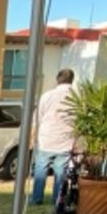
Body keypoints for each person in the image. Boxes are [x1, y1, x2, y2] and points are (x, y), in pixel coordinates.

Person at [30, 69, 76, 206]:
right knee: (60, 172)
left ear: (57, 79)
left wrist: (32, 137)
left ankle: (37, 198)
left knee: (40, 170)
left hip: (46, 138)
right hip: (65, 140)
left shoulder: (47, 96)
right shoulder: (76, 98)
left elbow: (37, 118)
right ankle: (57, 198)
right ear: (72, 80)